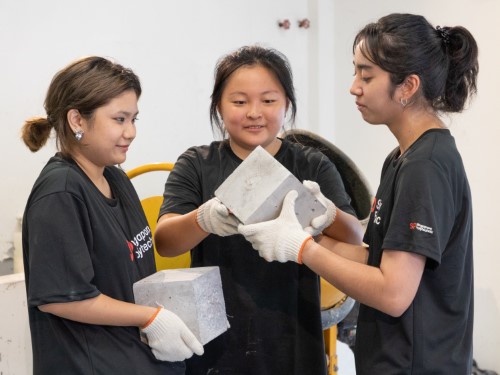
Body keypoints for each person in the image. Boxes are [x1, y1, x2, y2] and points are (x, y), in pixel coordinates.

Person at [238, 13, 478, 375]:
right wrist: (309, 228)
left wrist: (303, 250)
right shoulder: (401, 157)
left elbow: (393, 294)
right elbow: (376, 260)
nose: (354, 87)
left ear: (408, 86)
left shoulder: (424, 167)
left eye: (367, 75)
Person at [154, 45, 364, 374]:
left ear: (287, 104)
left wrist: (327, 212)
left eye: (268, 101)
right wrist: (203, 219)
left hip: (293, 331)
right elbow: (165, 243)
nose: (254, 112)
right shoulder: (196, 164)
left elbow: (354, 236)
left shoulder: (310, 163)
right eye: (239, 101)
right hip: (217, 339)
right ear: (219, 106)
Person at [21, 56, 203, 375]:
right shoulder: (61, 192)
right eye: (119, 119)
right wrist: (147, 317)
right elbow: (60, 298)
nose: (131, 132)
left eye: (134, 119)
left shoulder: (115, 177)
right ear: (77, 120)